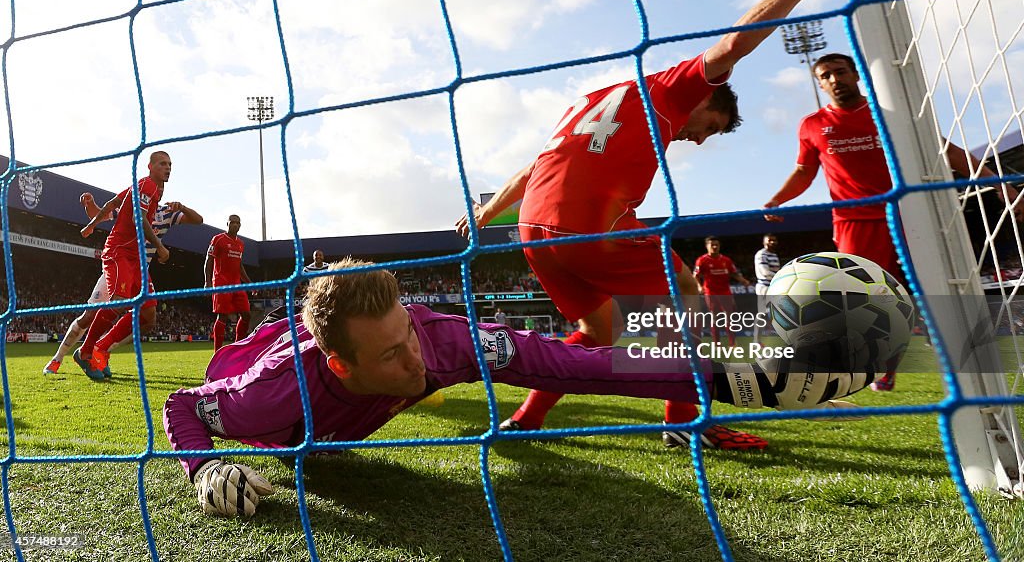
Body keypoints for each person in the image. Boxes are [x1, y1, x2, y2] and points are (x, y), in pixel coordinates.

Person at [455, 0, 863, 451]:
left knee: (600, 333)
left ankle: (526, 419)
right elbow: (734, 43)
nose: (698, 138)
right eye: (711, 127)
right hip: (587, 228)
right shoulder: (673, 88)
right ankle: (685, 422)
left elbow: (537, 164)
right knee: (690, 294)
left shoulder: (598, 99)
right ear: (708, 99)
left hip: (533, 231)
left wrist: (486, 211)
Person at [163, 258, 868, 518]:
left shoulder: (447, 344)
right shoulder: (271, 393)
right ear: (341, 363)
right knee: (286, 439)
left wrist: (742, 377)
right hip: (257, 391)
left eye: (408, 332)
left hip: (337, 418)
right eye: (390, 352)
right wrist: (206, 467)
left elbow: (594, 366)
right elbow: (183, 404)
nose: (415, 362)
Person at [763, 52, 1022, 390]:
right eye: (825, 76)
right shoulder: (812, 125)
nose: (833, 80)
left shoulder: (889, 113)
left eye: (840, 72)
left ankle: (954, 354)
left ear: (856, 74)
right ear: (819, 83)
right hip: (854, 221)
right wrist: (778, 198)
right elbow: (803, 171)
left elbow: (945, 149)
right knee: (861, 297)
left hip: (910, 212)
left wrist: (995, 182)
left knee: (932, 287)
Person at [44, 192, 202, 376]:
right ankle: (57, 359)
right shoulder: (132, 208)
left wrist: (181, 207)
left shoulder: (165, 213)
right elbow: (99, 213)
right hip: (120, 267)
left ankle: (100, 351)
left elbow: (198, 220)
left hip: (141, 271)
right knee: (89, 316)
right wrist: (90, 204)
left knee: (148, 318)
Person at [73, 151, 172, 381]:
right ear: (150, 166)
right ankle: (85, 352)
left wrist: (91, 225)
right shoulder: (147, 185)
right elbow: (139, 218)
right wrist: (159, 246)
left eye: (169, 164)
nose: (167, 167)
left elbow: (112, 203)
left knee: (148, 314)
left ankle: (100, 349)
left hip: (135, 256)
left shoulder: (144, 187)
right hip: (119, 252)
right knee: (118, 300)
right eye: (162, 164)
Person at [692, 236, 750, 347]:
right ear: (707, 246)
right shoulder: (702, 260)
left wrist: (743, 281)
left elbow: (734, 273)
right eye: (712, 245)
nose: (714, 247)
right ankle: (716, 344)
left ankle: (732, 344)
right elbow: (695, 276)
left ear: (719, 246)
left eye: (716, 245)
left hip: (725, 292)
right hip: (711, 292)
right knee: (715, 317)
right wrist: (700, 287)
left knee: (729, 318)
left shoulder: (726, 260)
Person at [205, 215, 252, 350]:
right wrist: (207, 281)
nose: (235, 225)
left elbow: (239, 265)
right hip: (221, 282)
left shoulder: (241, 244)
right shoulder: (218, 239)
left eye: (238, 223)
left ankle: (237, 347)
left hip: (237, 284)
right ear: (227, 224)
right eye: (232, 222)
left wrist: (249, 283)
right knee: (223, 316)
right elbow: (209, 260)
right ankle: (217, 352)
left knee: (246, 314)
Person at [752, 234, 781, 344]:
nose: (772, 242)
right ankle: (756, 341)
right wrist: (781, 275)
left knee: (776, 311)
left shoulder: (773, 254)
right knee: (762, 313)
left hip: (773, 286)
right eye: (769, 240)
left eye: (774, 240)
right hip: (764, 287)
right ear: (764, 242)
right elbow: (765, 272)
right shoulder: (761, 254)